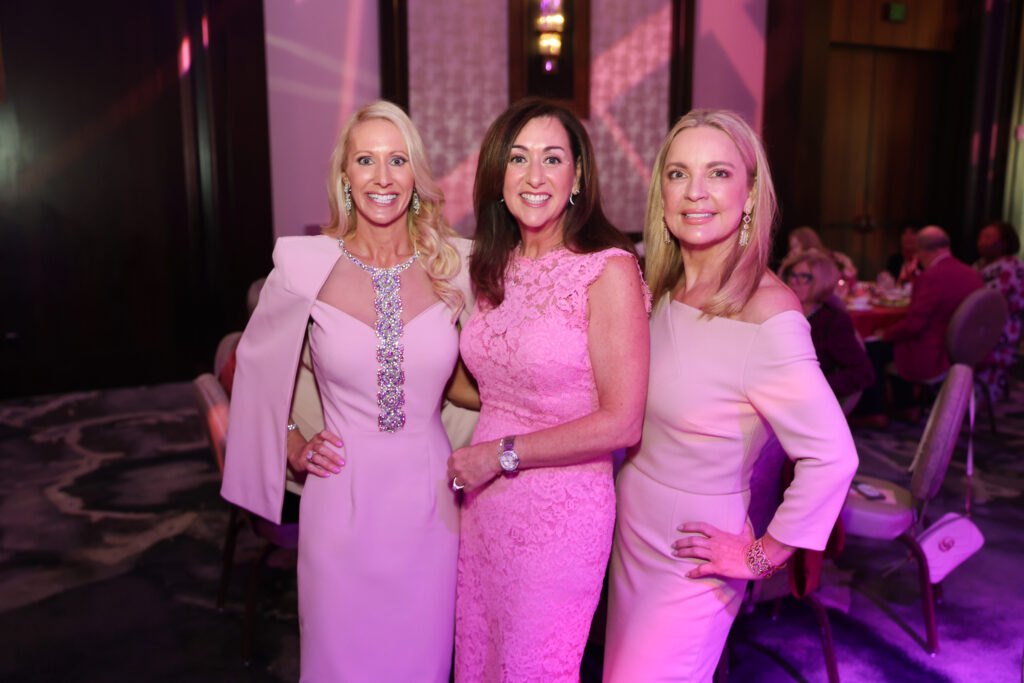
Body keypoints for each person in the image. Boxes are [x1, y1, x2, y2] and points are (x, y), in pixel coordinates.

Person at [221, 101, 477, 682]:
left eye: (397, 160)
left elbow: (482, 376)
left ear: (416, 175)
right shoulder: (303, 264)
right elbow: (248, 372)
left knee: (423, 662)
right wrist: (291, 443)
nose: (382, 177)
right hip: (340, 505)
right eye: (366, 160)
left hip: (430, 507)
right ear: (345, 176)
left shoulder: (454, 265)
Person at [603, 109, 858, 682]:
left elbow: (833, 456)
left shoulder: (767, 313)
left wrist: (760, 556)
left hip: (692, 550)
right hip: (633, 526)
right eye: (678, 173)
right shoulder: (666, 285)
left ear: (749, 195)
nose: (695, 192)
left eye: (717, 173)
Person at [446, 97, 650, 681]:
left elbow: (622, 422)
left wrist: (500, 454)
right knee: (480, 661)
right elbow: (491, 382)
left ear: (578, 175)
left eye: (552, 158)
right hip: (485, 509)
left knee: (531, 670)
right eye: (518, 158)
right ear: (498, 174)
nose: (534, 177)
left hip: (560, 515)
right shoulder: (494, 264)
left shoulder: (607, 269)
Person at [873, 226, 983, 384]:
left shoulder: (930, 277)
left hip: (935, 354)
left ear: (922, 251)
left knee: (872, 349)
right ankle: (907, 404)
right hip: (967, 351)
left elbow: (914, 325)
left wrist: (885, 333)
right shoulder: (972, 274)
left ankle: (880, 408)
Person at [780, 248, 874, 404]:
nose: (794, 282)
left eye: (803, 277)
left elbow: (863, 373)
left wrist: (813, 386)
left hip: (807, 401)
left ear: (820, 281)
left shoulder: (832, 320)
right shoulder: (784, 312)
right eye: (793, 275)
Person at [974, 220, 1024, 401]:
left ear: (1003, 243)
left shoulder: (1010, 267)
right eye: (981, 236)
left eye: (988, 238)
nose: (981, 242)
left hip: (998, 330)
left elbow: (983, 300)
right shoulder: (980, 264)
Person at [787, 225, 857, 289]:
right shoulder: (793, 264)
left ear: (808, 245)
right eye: (791, 247)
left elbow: (846, 286)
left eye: (795, 246)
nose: (792, 251)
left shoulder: (820, 262)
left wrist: (848, 266)